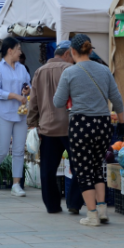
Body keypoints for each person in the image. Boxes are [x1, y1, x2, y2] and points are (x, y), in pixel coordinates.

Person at [53, 34, 124, 227]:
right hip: (103, 124)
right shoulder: (104, 70)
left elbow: (58, 102)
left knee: (83, 170)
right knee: (96, 168)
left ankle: (91, 214)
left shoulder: (69, 72)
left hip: (81, 125)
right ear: (91, 50)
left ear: (72, 52)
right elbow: (117, 99)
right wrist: (123, 122)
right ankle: (102, 210)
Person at [27, 40, 84, 214]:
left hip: (47, 128)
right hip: (71, 127)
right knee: (79, 166)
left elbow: (33, 101)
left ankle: (52, 206)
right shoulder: (71, 70)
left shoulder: (39, 71)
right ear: (67, 54)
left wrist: (32, 124)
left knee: (48, 169)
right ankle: (74, 203)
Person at [0, 37, 31, 196]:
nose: (20, 52)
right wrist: (15, 96)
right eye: (18, 49)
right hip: (3, 113)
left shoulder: (22, 68)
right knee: (3, 150)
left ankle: (16, 184)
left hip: (21, 114)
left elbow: (28, 85)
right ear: (10, 51)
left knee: (18, 150)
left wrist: (26, 90)